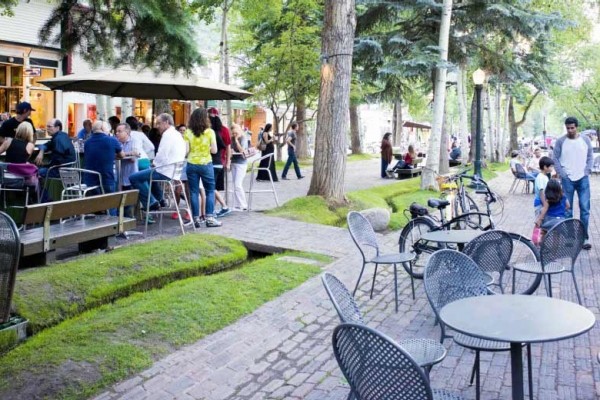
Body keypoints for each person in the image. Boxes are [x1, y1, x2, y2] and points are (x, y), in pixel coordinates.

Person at [129, 113, 186, 211]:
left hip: (166, 171)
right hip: (173, 171)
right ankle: (160, 199)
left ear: (166, 122)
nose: (157, 126)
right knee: (148, 174)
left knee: (133, 178)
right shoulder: (177, 134)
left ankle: (151, 203)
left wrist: (154, 164)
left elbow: (162, 154)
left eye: (159, 123)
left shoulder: (168, 135)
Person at [552, 116, 593, 250]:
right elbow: (555, 158)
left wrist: (587, 170)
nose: (570, 130)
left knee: (585, 210)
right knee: (567, 210)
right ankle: (570, 239)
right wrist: (563, 174)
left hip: (583, 178)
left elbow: (590, 156)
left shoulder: (585, 140)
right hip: (567, 179)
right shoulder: (560, 141)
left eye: (572, 127)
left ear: (577, 127)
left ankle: (582, 239)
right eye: (568, 128)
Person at [185, 108, 222, 228]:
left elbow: (186, 151)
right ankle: (210, 218)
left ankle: (196, 219)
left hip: (191, 164)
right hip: (206, 164)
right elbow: (215, 150)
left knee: (194, 192)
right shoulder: (210, 132)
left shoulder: (188, 132)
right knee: (210, 191)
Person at [84, 121, 125, 194]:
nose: (108, 131)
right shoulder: (112, 140)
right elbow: (122, 155)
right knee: (110, 203)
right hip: (106, 179)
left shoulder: (87, 142)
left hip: (89, 181)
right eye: (107, 129)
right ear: (102, 128)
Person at [208, 108, 232, 217]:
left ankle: (223, 206)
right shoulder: (212, 131)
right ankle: (212, 209)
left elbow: (228, 147)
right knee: (214, 187)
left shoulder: (220, 131)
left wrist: (228, 162)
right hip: (218, 161)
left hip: (215, 161)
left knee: (212, 187)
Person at [230, 123, 248, 211]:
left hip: (241, 163)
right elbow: (230, 150)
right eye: (232, 133)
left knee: (238, 184)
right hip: (234, 162)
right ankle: (237, 204)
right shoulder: (231, 139)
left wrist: (237, 141)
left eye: (235, 133)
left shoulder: (243, 138)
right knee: (234, 184)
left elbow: (242, 151)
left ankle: (243, 204)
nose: (234, 135)